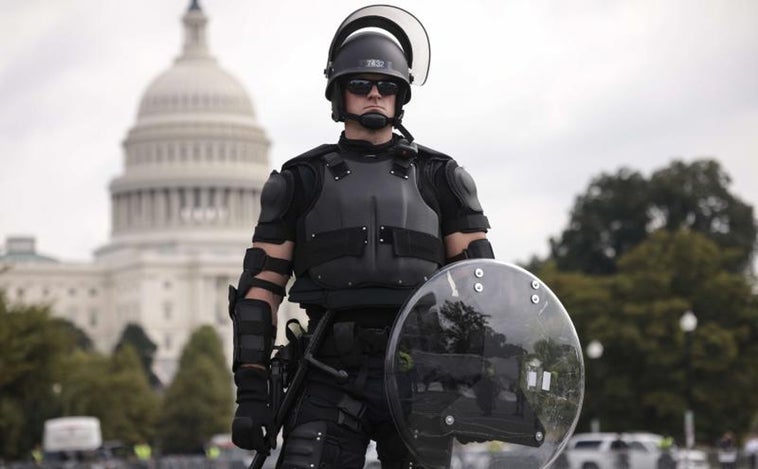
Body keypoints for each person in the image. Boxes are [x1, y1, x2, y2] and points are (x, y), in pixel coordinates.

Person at [228, 5, 494, 469]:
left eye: (386, 86)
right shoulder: (299, 181)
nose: (374, 94)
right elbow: (260, 291)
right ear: (339, 94)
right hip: (329, 370)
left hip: (421, 374)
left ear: (400, 96)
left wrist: (477, 378)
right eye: (361, 85)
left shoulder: (443, 178)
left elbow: (480, 288)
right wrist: (251, 391)